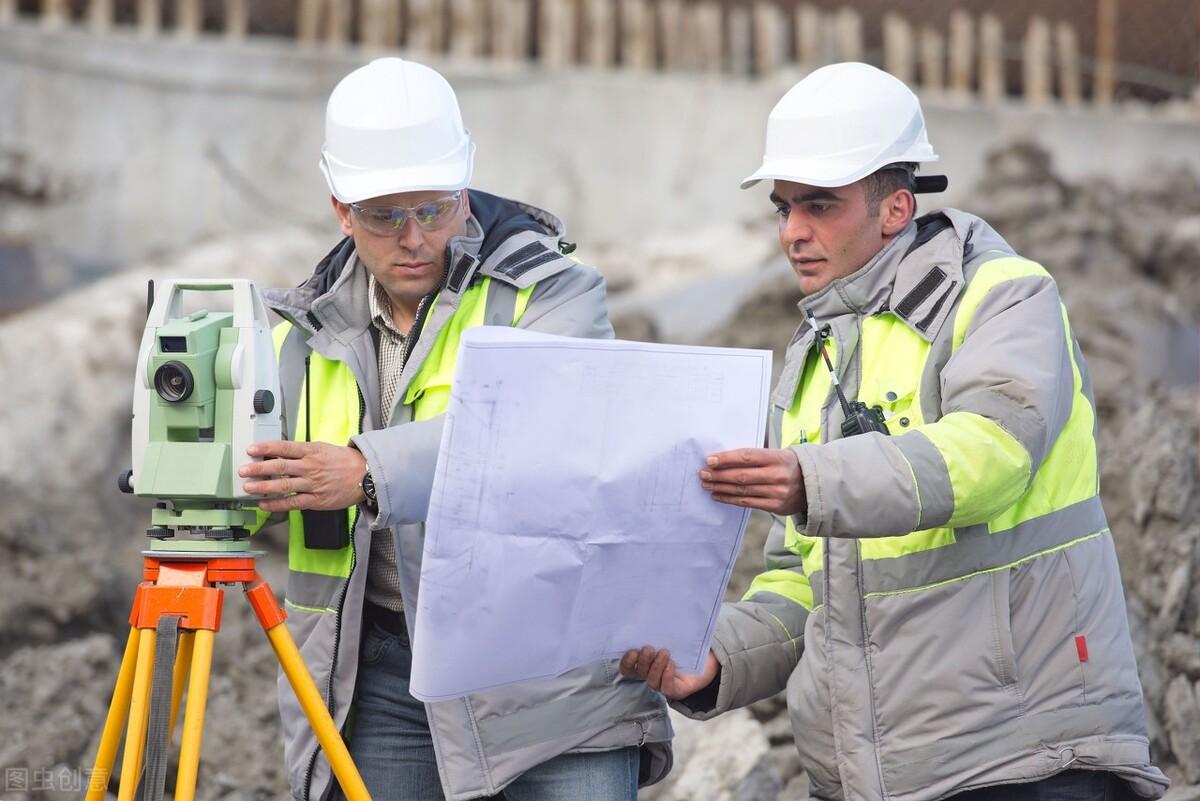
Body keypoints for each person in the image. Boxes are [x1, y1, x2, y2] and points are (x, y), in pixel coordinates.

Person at [620, 62, 1168, 801]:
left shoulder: (1004, 298)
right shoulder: (813, 359)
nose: (793, 232)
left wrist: (810, 479)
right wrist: (716, 660)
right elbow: (799, 581)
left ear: (896, 206)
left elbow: (989, 456)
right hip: (867, 776)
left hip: (1023, 760)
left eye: (819, 206)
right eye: (782, 208)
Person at [238, 58, 671, 801]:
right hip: (380, 677)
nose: (414, 237)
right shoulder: (301, 329)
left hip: (556, 679)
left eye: (435, 210)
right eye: (384, 215)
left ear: (464, 191)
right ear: (341, 208)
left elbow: (548, 432)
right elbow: (248, 480)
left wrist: (365, 470)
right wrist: (247, 489)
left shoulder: (553, 293)